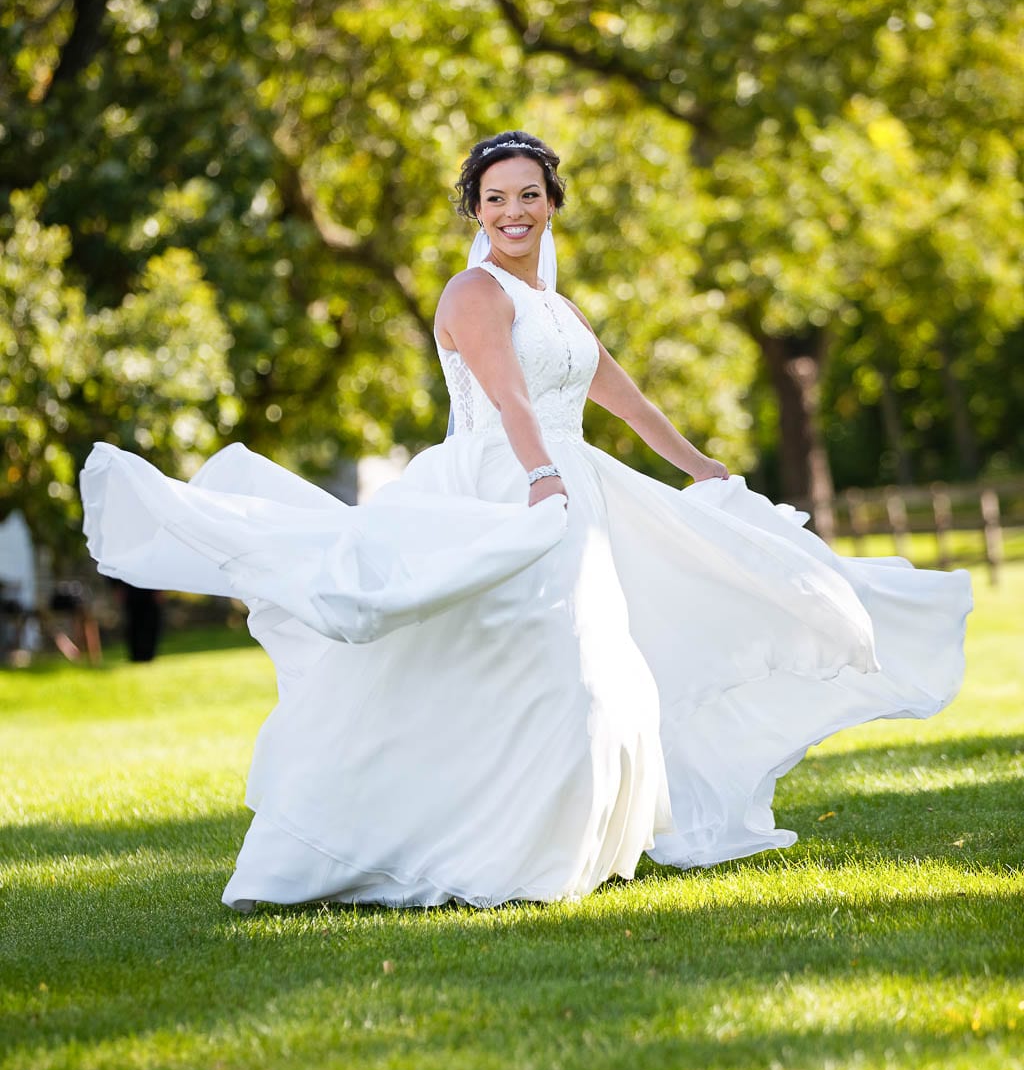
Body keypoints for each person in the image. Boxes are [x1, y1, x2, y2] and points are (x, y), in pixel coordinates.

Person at [79, 130, 972, 911]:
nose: (514, 211)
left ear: (551, 207)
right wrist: (542, 474)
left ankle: (568, 852)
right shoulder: (473, 296)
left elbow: (621, 399)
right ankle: (483, 850)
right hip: (506, 486)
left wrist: (701, 466)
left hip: (570, 482)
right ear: (475, 208)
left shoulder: (560, 309)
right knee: (550, 667)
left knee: (600, 667)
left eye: (529, 197)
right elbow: (507, 398)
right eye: (496, 197)